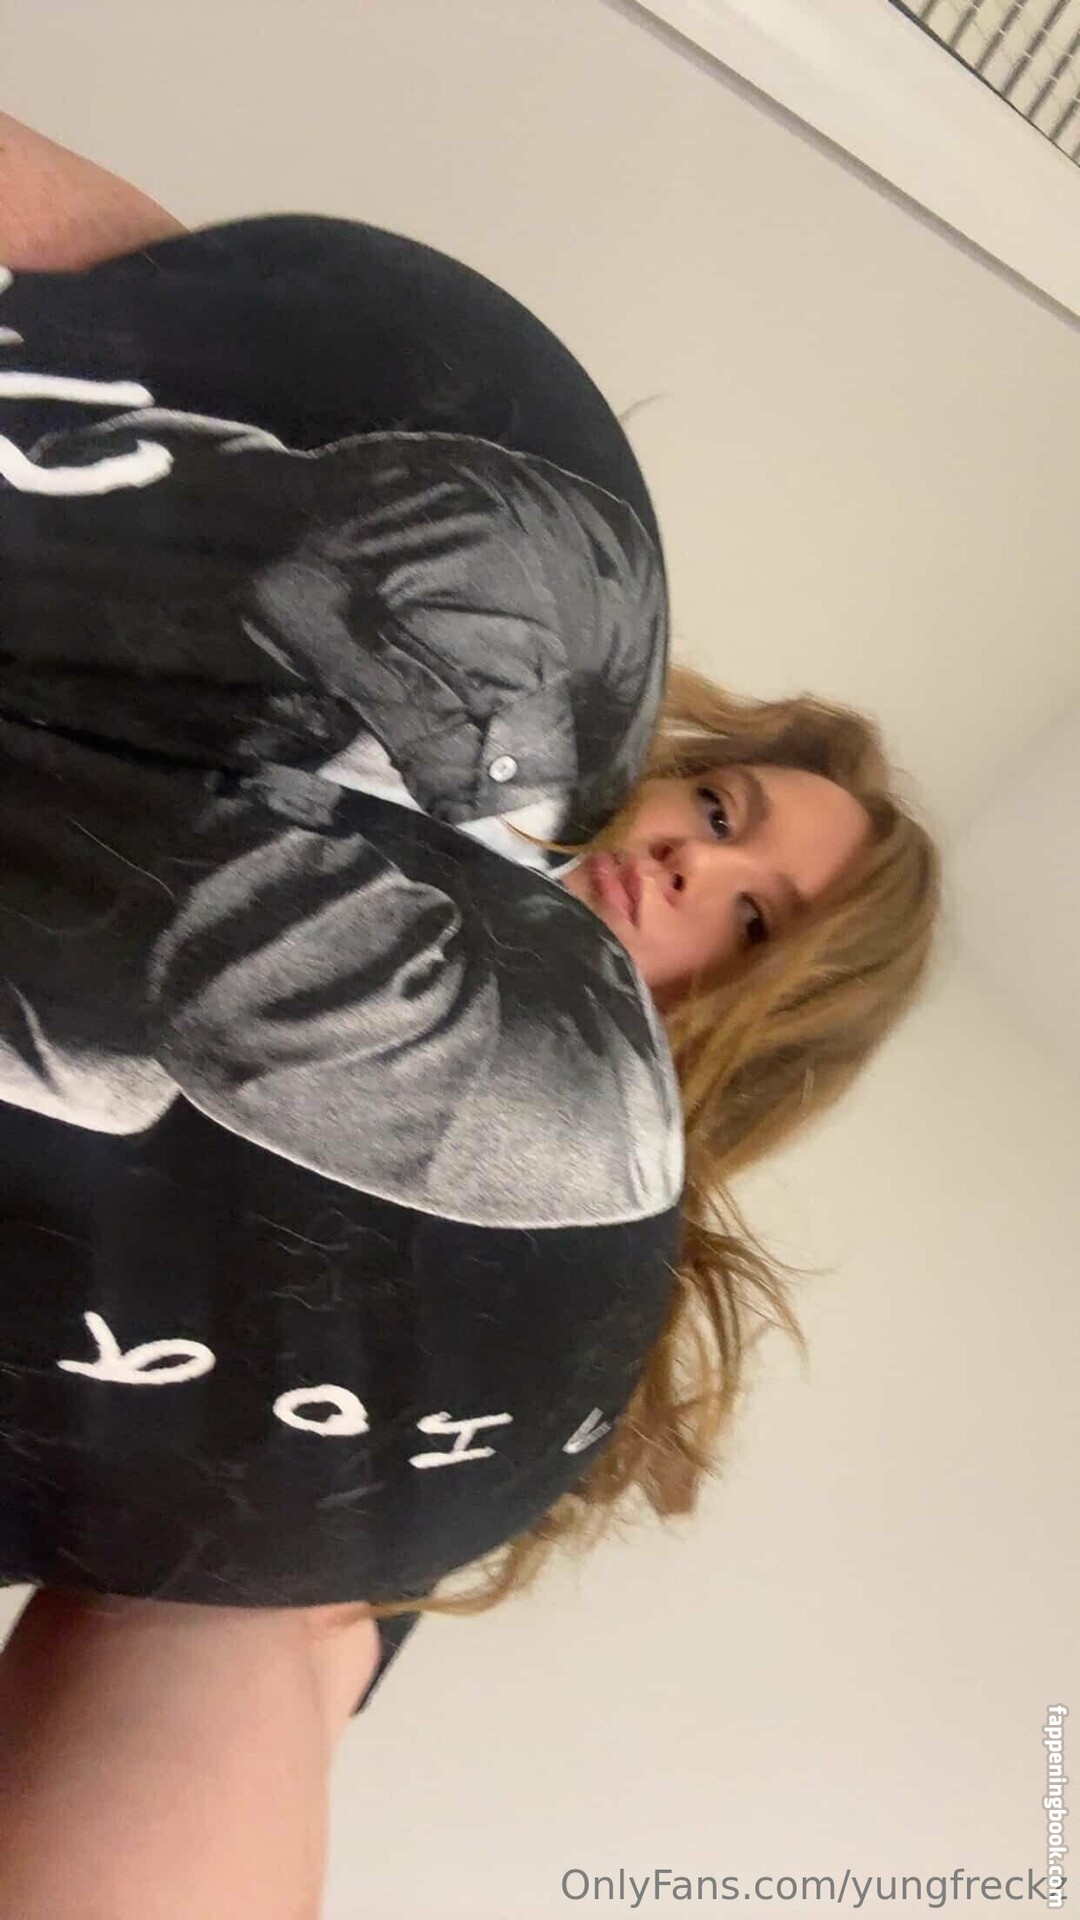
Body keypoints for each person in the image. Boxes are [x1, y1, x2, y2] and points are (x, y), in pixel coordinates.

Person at [0, 113, 942, 1918]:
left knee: (278, 1620)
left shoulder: (496, 1308)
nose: (691, 863)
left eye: (752, 921)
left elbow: (241, 1662)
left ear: (760, 1027)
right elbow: (149, 330)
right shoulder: (444, 657)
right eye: (723, 811)